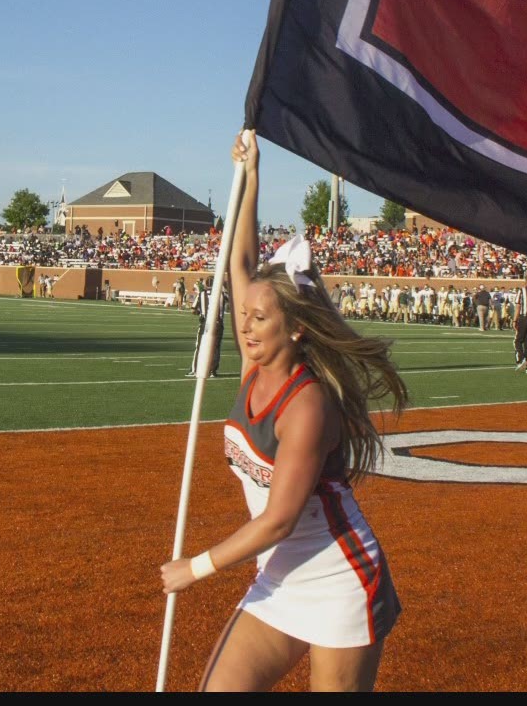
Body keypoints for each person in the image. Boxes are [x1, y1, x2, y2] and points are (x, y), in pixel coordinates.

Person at [160, 130, 408, 691]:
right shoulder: (252, 369)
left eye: (260, 319)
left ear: (296, 328)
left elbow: (278, 519)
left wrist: (194, 569)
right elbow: (240, 261)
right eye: (243, 315)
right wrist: (250, 178)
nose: (244, 326)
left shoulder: (308, 405)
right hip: (280, 579)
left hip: (339, 579)